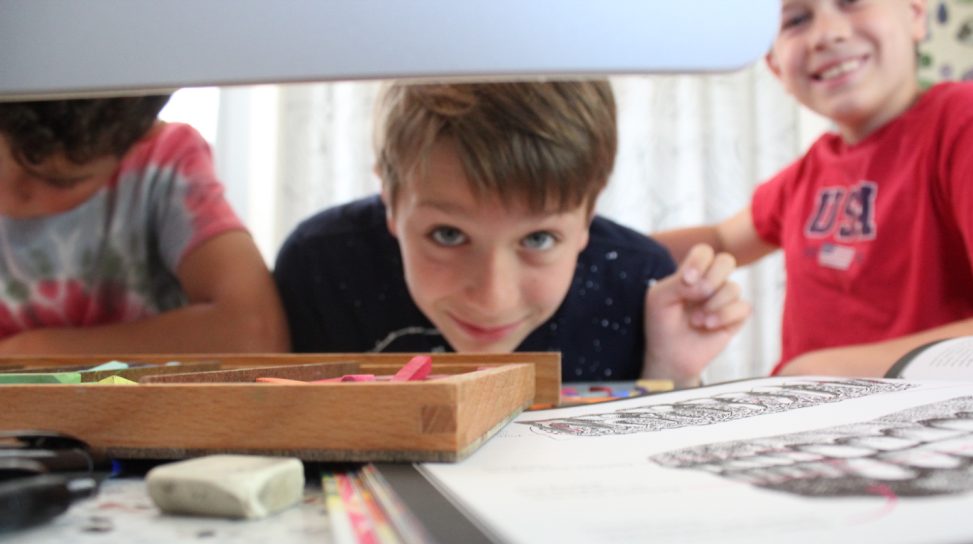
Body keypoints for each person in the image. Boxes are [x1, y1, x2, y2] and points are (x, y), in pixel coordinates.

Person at [274, 80, 750, 386]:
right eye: (447, 234)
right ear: (391, 202)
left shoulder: (637, 284)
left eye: (538, 239)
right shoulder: (322, 268)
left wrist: (671, 371)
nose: (492, 299)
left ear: (588, 213)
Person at [654, 0, 973, 377]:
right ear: (775, 68)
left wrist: (808, 374)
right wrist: (597, 239)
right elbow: (722, 239)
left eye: (851, 2)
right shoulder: (811, 170)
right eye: (796, 20)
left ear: (915, 14)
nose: (826, 34)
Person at [0, 95, 289, 354]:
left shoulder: (163, 163)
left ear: (140, 139)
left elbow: (254, 332)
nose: (9, 187)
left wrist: (33, 350)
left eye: (60, 181)